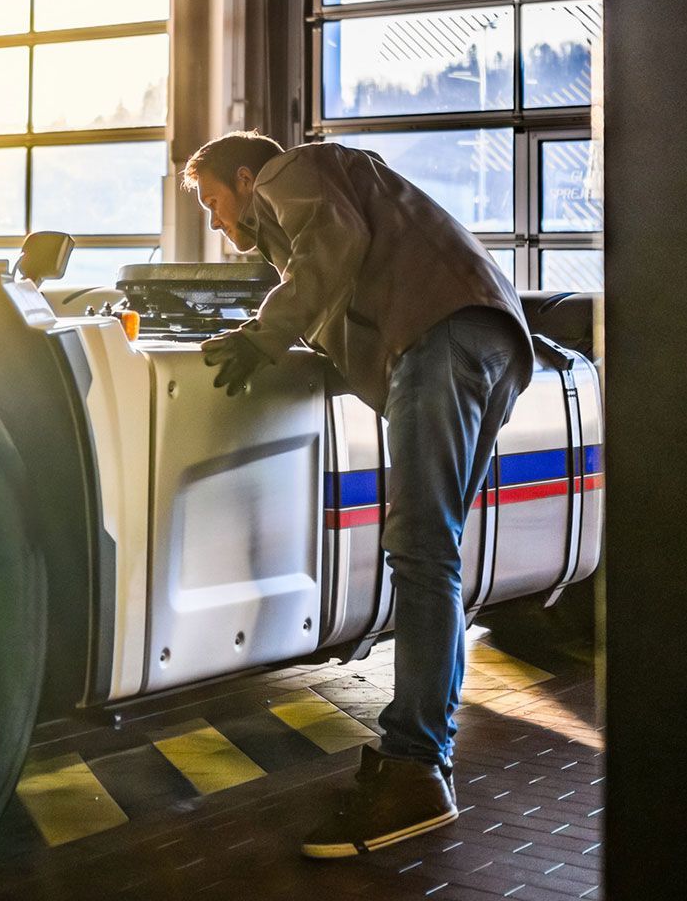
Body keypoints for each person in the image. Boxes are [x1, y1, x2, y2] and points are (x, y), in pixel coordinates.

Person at [182, 131, 533, 859]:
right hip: (483, 340)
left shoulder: (295, 171)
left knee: (421, 550)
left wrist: (260, 336)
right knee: (432, 554)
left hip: (443, 337)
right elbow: (338, 281)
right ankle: (421, 754)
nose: (218, 225)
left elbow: (330, 249)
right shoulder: (328, 197)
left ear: (247, 178)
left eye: (216, 203)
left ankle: (416, 771)